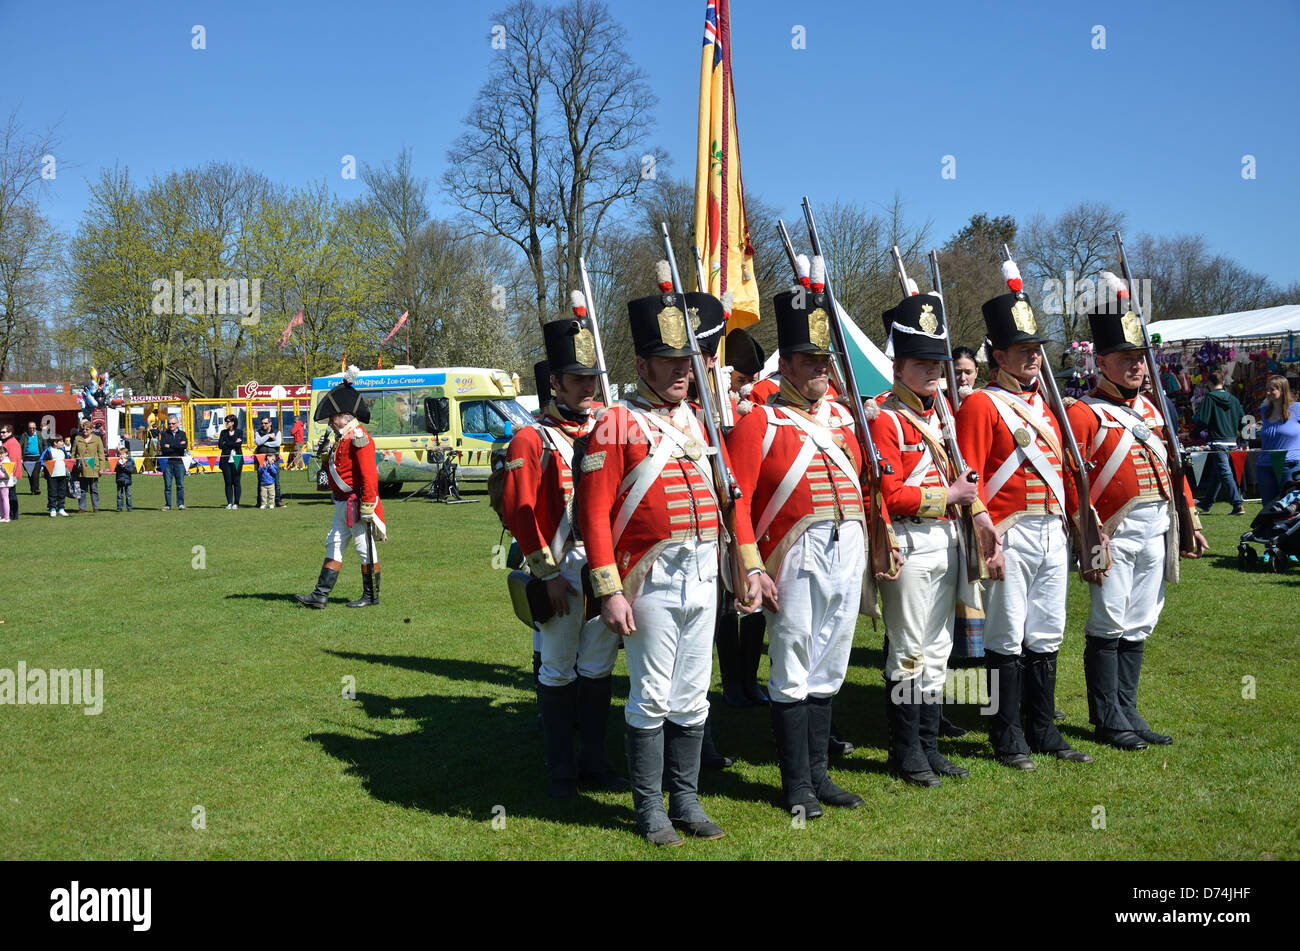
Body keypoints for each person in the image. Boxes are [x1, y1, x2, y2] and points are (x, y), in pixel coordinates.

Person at [577, 283, 761, 846]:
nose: (682, 372)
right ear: (642, 365)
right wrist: (608, 590)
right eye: (668, 362)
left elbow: (731, 497)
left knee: (692, 691)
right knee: (652, 693)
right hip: (649, 575)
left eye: (687, 361)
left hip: (704, 569)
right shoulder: (614, 422)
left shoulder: (701, 421)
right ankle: (651, 808)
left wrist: (748, 563)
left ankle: (686, 798)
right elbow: (592, 512)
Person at [727, 281, 873, 815]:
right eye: (810, 363)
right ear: (785, 365)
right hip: (791, 555)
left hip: (846, 549)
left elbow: (865, 485)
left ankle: (819, 774)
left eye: (825, 362)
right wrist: (749, 564)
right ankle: (796, 785)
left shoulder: (844, 421)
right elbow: (737, 502)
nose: (821, 371)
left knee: (830, 664)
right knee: (792, 664)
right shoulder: (759, 420)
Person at [1066, 287, 1209, 752]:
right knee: (1109, 620)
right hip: (1113, 531)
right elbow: (1072, 477)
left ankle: (1127, 708)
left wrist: (1190, 516)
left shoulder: (1152, 409)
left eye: (1140, 358)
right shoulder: (1084, 413)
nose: (1136, 366)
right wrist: (1088, 533)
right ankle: (1106, 716)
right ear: (1101, 363)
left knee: (1142, 618)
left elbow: (1174, 467)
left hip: (1157, 528)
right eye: (1125, 358)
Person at [956, 285, 1091, 770]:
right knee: (1006, 634)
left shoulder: (1048, 410)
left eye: (1036, 349)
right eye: (1023, 350)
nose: (1034, 357)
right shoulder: (980, 405)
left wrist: (1080, 523)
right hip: (1008, 533)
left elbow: (1066, 474)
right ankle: (1006, 734)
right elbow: (970, 475)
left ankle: (1043, 728)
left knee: (1046, 632)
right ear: (1000, 356)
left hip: (1052, 530)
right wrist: (982, 528)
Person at [501, 319, 624, 799]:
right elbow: (518, 510)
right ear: (555, 383)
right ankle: (561, 774)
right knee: (557, 667)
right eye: (577, 378)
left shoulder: (606, 429)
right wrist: (546, 573)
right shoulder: (532, 439)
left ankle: (595, 760)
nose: (588, 387)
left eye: (592, 377)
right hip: (561, 563)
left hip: (603, 563)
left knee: (597, 666)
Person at [870, 293, 981, 787]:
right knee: (909, 650)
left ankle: (929, 746)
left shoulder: (940, 416)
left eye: (937, 362)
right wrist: (950, 495)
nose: (934, 372)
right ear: (899, 367)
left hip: (947, 542)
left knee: (937, 648)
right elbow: (889, 495)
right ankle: (905, 750)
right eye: (922, 363)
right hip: (911, 545)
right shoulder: (886, 418)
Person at [296, 367, 386, 609]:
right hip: (341, 502)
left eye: (333, 419)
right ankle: (320, 595)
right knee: (333, 543)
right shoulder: (341, 438)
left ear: (344, 417)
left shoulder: (359, 437)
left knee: (363, 548)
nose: (331, 424)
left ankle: (371, 595)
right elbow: (335, 468)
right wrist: (325, 455)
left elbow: (368, 475)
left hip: (357, 503)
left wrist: (368, 505)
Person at [1193, 371, 1245, 515]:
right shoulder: (1234, 399)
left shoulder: (1209, 397)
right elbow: (1244, 421)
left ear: (1210, 383)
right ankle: (1207, 503)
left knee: (1224, 472)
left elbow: (1203, 420)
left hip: (1217, 441)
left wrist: (1192, 434)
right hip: (1231, 442)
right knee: (1218, 473)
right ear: (1223, 382)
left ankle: (1237, 504)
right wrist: (1246, 439)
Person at [1258, 375, 1300, 511]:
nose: (1268, 392)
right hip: (1265, 465)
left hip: (1289, 465)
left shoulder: (1297, 409)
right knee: (1268, 507)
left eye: (1272, 389)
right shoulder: (1265, 411)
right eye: (1267, 389)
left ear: (1283, 390)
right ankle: (1268, 532)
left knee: (1287, 506)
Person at [71, 419, 109, 514]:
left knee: (94, 489)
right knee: (82, 490)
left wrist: (102, 468)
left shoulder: (97, 439)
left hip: (93, 468)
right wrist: (71, 465)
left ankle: (96, 507)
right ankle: (82, 508)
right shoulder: (77, 439)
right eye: (83, 429)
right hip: (80, 469)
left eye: (87, 429)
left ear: (92, 429)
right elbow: (73, 453)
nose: (85, 431)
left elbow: (101, 455)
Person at [253, 416, 286, 507]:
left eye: (266, 423)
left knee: (276, 480)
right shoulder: (258, 432)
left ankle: (278, 501)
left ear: (270, 423)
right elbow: (258, 443)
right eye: (262, 423)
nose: (263, 425)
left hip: (273, 458)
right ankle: (260, 502)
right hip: (261, 459)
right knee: (261, 480)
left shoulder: (277, 432)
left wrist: (264, 441)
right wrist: (268, 436)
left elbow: (277, 443)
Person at [159, 415, 188, 510]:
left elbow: (183, 447)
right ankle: (168, 505)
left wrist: (170, 445)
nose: (171, 425)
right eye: (169, 424)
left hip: (179, 462)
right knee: (167, 485)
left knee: (180, 485)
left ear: (177, 423)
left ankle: (180, 504)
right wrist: (177, 445)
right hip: (167, 462)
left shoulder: (182, 434)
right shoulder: (164, 434)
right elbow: (164, 448)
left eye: (173, 423)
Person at [218, 415, 245, 509]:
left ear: (233, 422)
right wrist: (233, 443)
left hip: (237, 458)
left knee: (237, 481)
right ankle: (229, 502)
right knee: (228, 482)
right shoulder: (223, 432)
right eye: (226, 421)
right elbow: (220, 445)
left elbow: (238, 445)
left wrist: (227, 443)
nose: (227, 423)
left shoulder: (239, 432)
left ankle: (236, 503)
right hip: (226, 459)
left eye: (228, 421)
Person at [40, 434, 70, 516]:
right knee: (52, 492)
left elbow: (67, 460)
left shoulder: (63, 451)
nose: (63, 443)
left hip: (63, 475)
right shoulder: (48, 451)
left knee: (62, 492)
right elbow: (42, 460)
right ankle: (52, 508)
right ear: (55, 443)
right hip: (52, 475)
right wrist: (44, 468)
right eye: (61, 441)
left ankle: (61, 508)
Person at [0, 424, 21, 520]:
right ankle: (8, 514)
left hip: (9, 474)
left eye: (4, 432)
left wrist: (11, 474)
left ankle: (12, 515)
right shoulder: (8, 442)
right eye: (1, 432)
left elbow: (13, 459)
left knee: (10, 495)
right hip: (7, 473)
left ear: (10, 432)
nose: (1, 434)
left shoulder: (11, 443)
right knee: (7, 495)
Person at [22, 421, 43, 495]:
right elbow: (20, 446)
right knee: (30, 474)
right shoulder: (24, 435)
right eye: (30, 428)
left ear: (36, 427)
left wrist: (45, 455)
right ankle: (33, 490)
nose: (32, 429)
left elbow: (44, 445)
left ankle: (36, 489)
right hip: (27, 458)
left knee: (36, 473)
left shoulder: (40, 435)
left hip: (37, 457)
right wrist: (21, 457)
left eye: (33, 427)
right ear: (28, 428)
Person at [114, 445, 136, 512]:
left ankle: (129, 507)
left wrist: (125, 467)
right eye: (120, 454)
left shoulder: (130, 462)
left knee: (128, 495)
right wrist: (120, 466)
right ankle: (119, 507)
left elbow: (131, 470)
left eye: (123, 454)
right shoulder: (117, 462)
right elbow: (115, 469)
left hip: (127, 480)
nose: (121, 456)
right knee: (119, 495)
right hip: (119, 480)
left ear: (126, 455)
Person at [0, 442, 14, 521]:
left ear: (6, 453)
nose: (0, 455)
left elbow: (7, 474)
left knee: (5, 498)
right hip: (2, 482)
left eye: (2, 453)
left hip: (5, 483)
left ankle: (7, 517)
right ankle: (2, 516)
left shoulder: (6, 461)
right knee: (1, 499)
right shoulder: (2, 461)